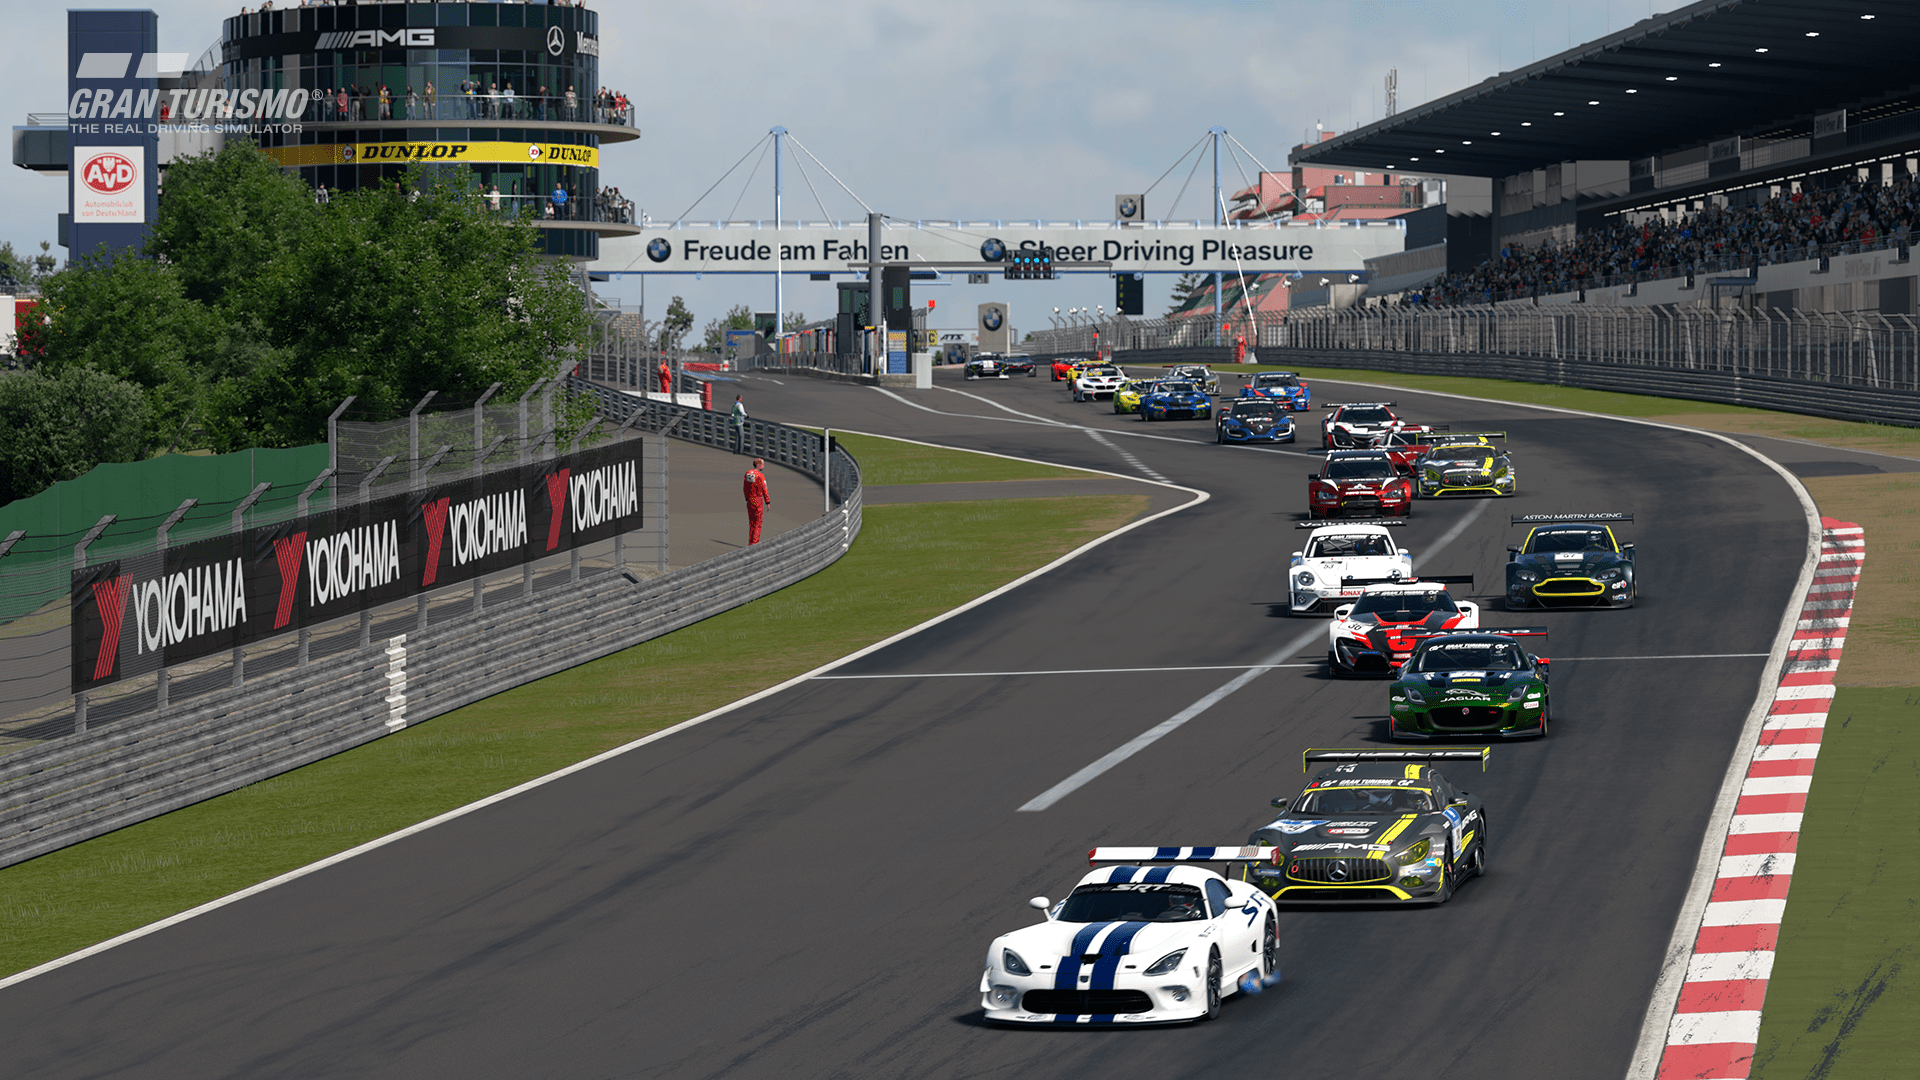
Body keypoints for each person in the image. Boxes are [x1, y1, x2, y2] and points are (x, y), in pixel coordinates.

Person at [743, 458, 771, 546]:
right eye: (762, 464)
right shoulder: (760, 476)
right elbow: (764, 489)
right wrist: (767, 502)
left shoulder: (748, 473)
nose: (763, 466)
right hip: (758, 500)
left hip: (750, 500)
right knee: (758, 523)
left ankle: (750, 542)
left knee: (751, 522)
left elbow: (745, 487)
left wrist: (747, 497)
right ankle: (754, 544)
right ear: (758, 465)